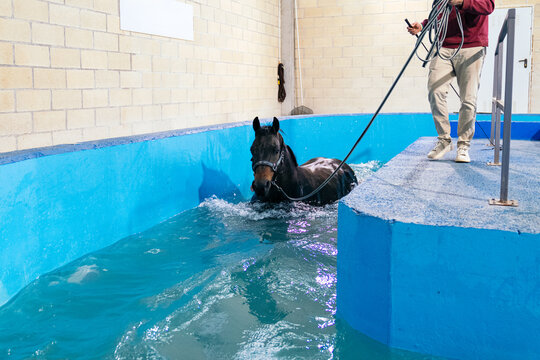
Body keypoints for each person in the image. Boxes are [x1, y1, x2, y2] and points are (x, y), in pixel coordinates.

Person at [408, 0, 495, 163]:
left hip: (471, 46)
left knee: (468, 99)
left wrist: (462, 2)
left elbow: (488, 6)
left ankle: (464, 144)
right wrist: (423, 25)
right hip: (443, 47)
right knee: (435, 91)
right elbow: (439, 13)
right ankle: (444, 140)